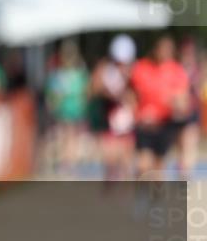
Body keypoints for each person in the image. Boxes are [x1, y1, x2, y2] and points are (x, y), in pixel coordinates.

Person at [129, 35, 191, 178]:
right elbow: (131, 93)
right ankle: (140, 192)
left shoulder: (176, 70)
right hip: (144, 124)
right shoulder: (142, 67)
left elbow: (184, 101)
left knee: (159, 165)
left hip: (165, 124)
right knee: (143, 164)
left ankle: (156, 196)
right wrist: (135, 112)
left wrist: (174, 102)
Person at [87, 34, 137, 182]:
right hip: (108, 121)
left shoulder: (133, 70)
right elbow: (93, 90)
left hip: (126, 122)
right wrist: (110, 94)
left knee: (126, 162)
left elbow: (135, 95)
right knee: (110, 161)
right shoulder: (104, 69)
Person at [44, 39, 89, 174]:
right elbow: (52, 96)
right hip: (62, 112)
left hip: (75, 112)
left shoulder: (80, 74)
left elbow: (84, 93)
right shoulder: (57, 75)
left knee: (71, 137)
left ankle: (70, 164)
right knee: (62, 137)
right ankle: (64, 163)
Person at [176, 37, 203, 179]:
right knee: (181, 148)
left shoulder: (197, 70)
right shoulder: (175, 68)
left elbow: (199, 91)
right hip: (176, 114)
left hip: (191, 113)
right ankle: (183, 172)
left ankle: (185, 175)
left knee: (188, 147)